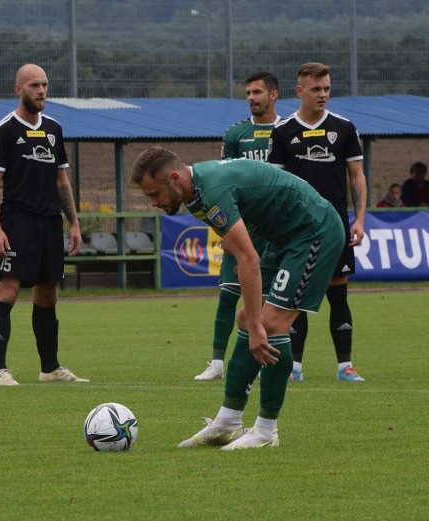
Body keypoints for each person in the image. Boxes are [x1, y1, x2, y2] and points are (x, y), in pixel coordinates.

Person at [132, 146, 344, 450]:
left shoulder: (211, 191)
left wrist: (259, 327)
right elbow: (242, 239)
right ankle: (228, 421)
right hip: (283, 237)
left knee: (269, 325)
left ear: (175, 178)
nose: (153, 202)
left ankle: (266, 431)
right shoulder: (195, 194)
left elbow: (249, 259)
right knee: (246, 318)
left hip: (314, 232)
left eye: (154, 194)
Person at [0, 63, 88, 386]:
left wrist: (74, 223)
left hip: (48, 222)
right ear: (19, 89)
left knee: (47, 295)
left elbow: (62, 180)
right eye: (34, 85)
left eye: (44, 84)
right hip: (17, 221)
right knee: (8, 290)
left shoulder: (54, 128)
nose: (41, 91)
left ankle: (50, 368)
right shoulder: (4, 130)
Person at [268, 62, 366, 382]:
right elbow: (276, 184)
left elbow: (357, 177)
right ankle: (294, 367)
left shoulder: (345, 128)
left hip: (336, 227)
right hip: (297, 229)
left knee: (338, 295)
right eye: (316, 89)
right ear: (300, 91)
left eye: (326, 88)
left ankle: (345, 367)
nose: (323, 94)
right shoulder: (283, 131)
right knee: (296, 295)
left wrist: (359, 219)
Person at [194, 71, 281, 381]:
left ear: (274, 95)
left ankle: (266, 359)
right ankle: (217, 362)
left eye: (257, 92)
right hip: (241, 225)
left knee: (267, 298)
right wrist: (225, 231)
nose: (251, 98)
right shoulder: (235, 135)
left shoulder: (286, 131)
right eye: (248, 93)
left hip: (273, 227)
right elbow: (222, 178)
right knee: (229, 293)